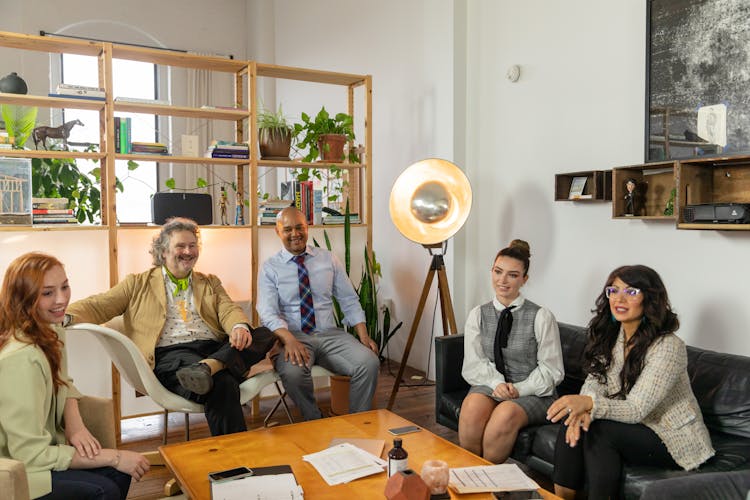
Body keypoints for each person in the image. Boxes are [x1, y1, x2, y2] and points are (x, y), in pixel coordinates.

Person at [66, 217, 275, 436]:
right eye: (180, 246)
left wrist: (238, 326)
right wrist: (65, 315)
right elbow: (98, 306)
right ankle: (235, 454)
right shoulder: (137, 283)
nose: (188, 251)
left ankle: (209, 367)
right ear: (163, 252)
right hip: (172, 356)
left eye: (192, 245)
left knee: (263, 334)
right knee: (223, 385)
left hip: (210, 348)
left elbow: (228, 310)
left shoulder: (209, 281)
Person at [547, 265, 714, 500]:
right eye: (613, 291)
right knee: (573, 419)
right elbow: (595, 382)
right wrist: (582, 407)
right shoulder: (612, 335)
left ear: (650, 298)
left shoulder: (668, 346)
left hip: (670, 434)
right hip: (631, 425)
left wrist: (589, 404)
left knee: (601, 431)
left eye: (631, 292)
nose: (619, 298)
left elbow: (637, 408)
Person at [0, 252, 150, 500]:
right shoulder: (20, 359)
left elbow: (64, 381)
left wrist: (75, 424)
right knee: (107, 487)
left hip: (42, 452)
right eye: (47, 293)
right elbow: (29, 454)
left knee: (120, 474)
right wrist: (115, 455)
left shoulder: (51, 330)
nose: (61, 299)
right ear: (24, 299)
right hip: (18, 469)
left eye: (65, 287)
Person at [256, 206, 380, 420]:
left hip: (330, 334)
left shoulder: (328, 259)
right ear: (277, 232)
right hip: (294, 336)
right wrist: (289, 340)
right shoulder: (270, 267)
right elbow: (267, 312)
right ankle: (314, 420)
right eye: (287, 230)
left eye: (299, 227)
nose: (295, 234)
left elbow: (349, 299)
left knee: (368, 363)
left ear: (307, 227)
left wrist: (363, 335)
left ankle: (357, 422)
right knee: (293, 374)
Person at [458, 240, 564, 463]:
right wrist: (497, 384)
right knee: (471, 407)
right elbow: (474, 363)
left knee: (505, 414)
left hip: (534, 392)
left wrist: (517, 389)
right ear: (492, 271)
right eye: (498, 272)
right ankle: (469, 478)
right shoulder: (478, 314)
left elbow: (552, 370)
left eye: (513, 275)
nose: (502, 280)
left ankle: (488, 483)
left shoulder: (542, 316)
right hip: (492, 384)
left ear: (524, 279)